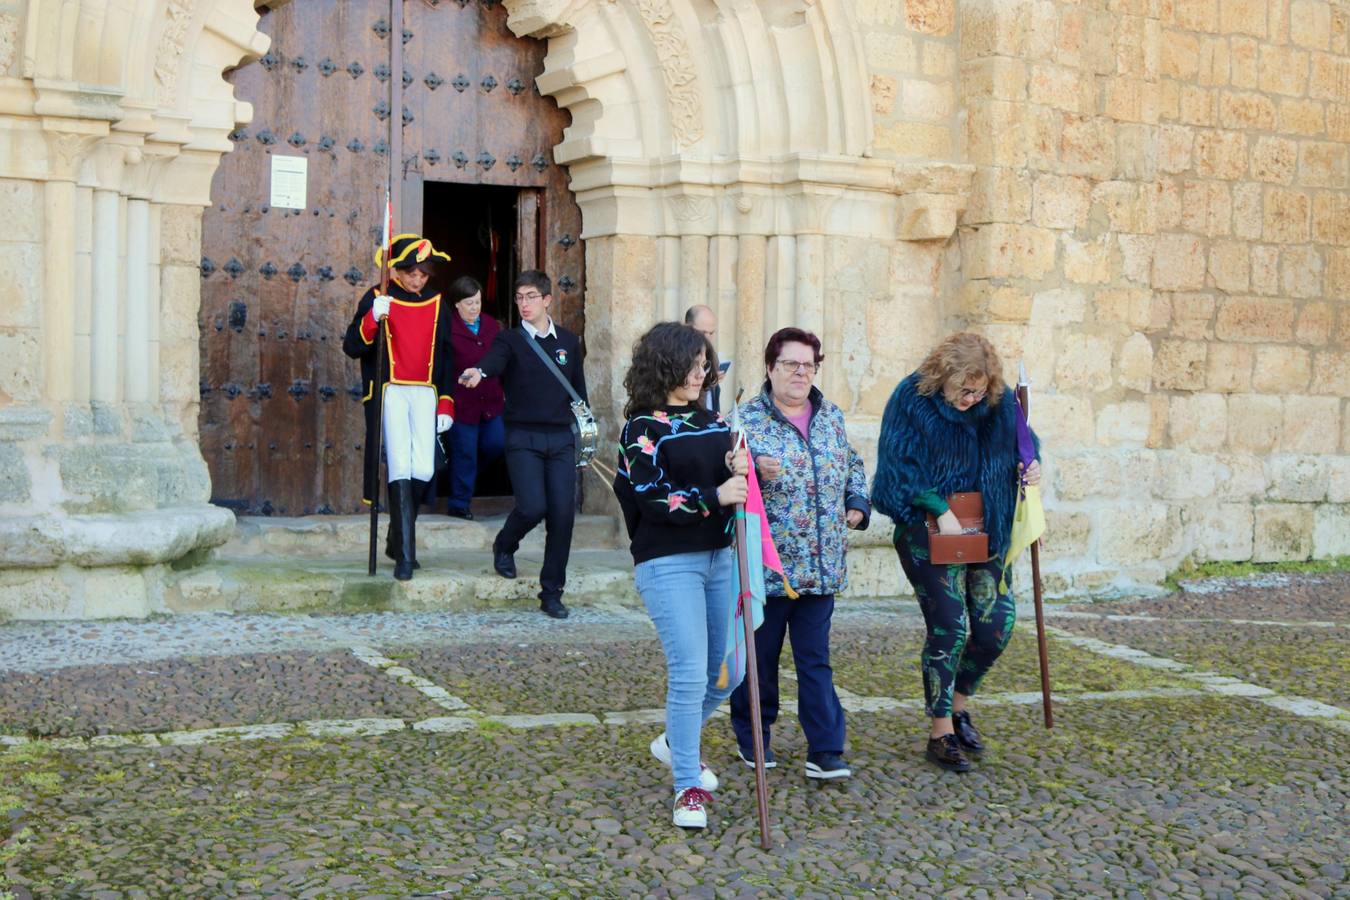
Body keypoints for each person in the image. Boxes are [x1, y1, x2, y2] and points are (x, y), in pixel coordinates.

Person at [870, 332, 1041, 772]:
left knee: (995, 626)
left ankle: (960, 703)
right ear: (941, 377)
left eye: (978, 391)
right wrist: (937, 505)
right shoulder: (912, 399)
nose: (970, 399)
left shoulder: (998, 401)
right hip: (927, 528)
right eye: (962, 390)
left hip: (987, 526)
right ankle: (940, 730)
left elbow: (1025, 443)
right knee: (950, 627)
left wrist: (1031, 465)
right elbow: (895, 470)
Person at [612, 321, 749, 829]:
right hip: (668, 561)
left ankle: (675, 741)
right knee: (691, 671)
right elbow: (653, 498)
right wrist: (715, 495)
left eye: (704, 364)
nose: (701, 373)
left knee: (728, 673)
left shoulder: (714, 421)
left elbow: (731, 482)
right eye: (692, 364)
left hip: (718, 557)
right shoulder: (641, 428)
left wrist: (748, 468)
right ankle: (687, 787)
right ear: (665, 365)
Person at [728, 327, 870, 781]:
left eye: (808, 365)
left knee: (815, 662)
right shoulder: (745, 420)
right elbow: (724, 480)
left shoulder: (831, 416)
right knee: (760, 663)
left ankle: (825, 749)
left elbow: (852, 465)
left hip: (821, 569)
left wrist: (858, 503)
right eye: (791, 364)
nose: (800, 373)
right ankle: (755, 738)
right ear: (770, 368)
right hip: (767, 570)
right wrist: (748, 472)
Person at [459, 271, 586, 619]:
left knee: (562, 515)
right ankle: (505, 544)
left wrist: (585, 439)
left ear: (547, 300)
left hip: (561, 438)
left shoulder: (569, 342)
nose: (524, 304)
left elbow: (579, 394)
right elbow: (493, 363)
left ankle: (551, 593)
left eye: (531, 297)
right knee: (532, 507)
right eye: (519, 298)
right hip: (522, 436)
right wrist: (479, 372)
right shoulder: (509, 341)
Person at [342, 233, 454, 581]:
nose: (418, 279)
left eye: (424, 273)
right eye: (412, 272)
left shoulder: (438, 302)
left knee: (423, 468)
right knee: (399, 466)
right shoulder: (377, 297)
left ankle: (396, 536)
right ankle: (406, 555)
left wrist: (446, 402)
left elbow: (447, 356)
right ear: (397, 271)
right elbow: (352, 346)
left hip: (425, 392)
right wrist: (372, 319)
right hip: (390, 391)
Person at [445, 276, 505, 520]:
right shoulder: (447, 328)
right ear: (457, 304)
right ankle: (459, 503)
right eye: (469, 303)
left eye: (478, 302)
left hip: (491, 402)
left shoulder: (492, 325)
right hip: (463, 405)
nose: (474, 307)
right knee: (464, 452)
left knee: (496, 444)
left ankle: (465, 479)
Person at [683, 305, 723, 412]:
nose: (707, 338)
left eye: (711, 333)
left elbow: (713, 399)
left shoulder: (712, 356)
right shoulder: (676, 357)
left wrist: (713, 381)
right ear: (687, 327)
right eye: (703, 332)